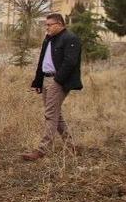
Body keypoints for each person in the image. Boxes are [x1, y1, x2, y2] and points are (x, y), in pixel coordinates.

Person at [22, 13, 83, 161]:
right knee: (56, 114)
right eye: (46, 24)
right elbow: (42, 61)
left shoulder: (70, 38)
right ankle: (71, 146)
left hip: (58, 81)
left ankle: (41, 150)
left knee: (50, 114)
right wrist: (38, 81)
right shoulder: (48, 39)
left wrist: (57, 80)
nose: (47, 27)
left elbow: (70, 62)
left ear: (60, 24)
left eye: (50, 24)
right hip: (46, 79)